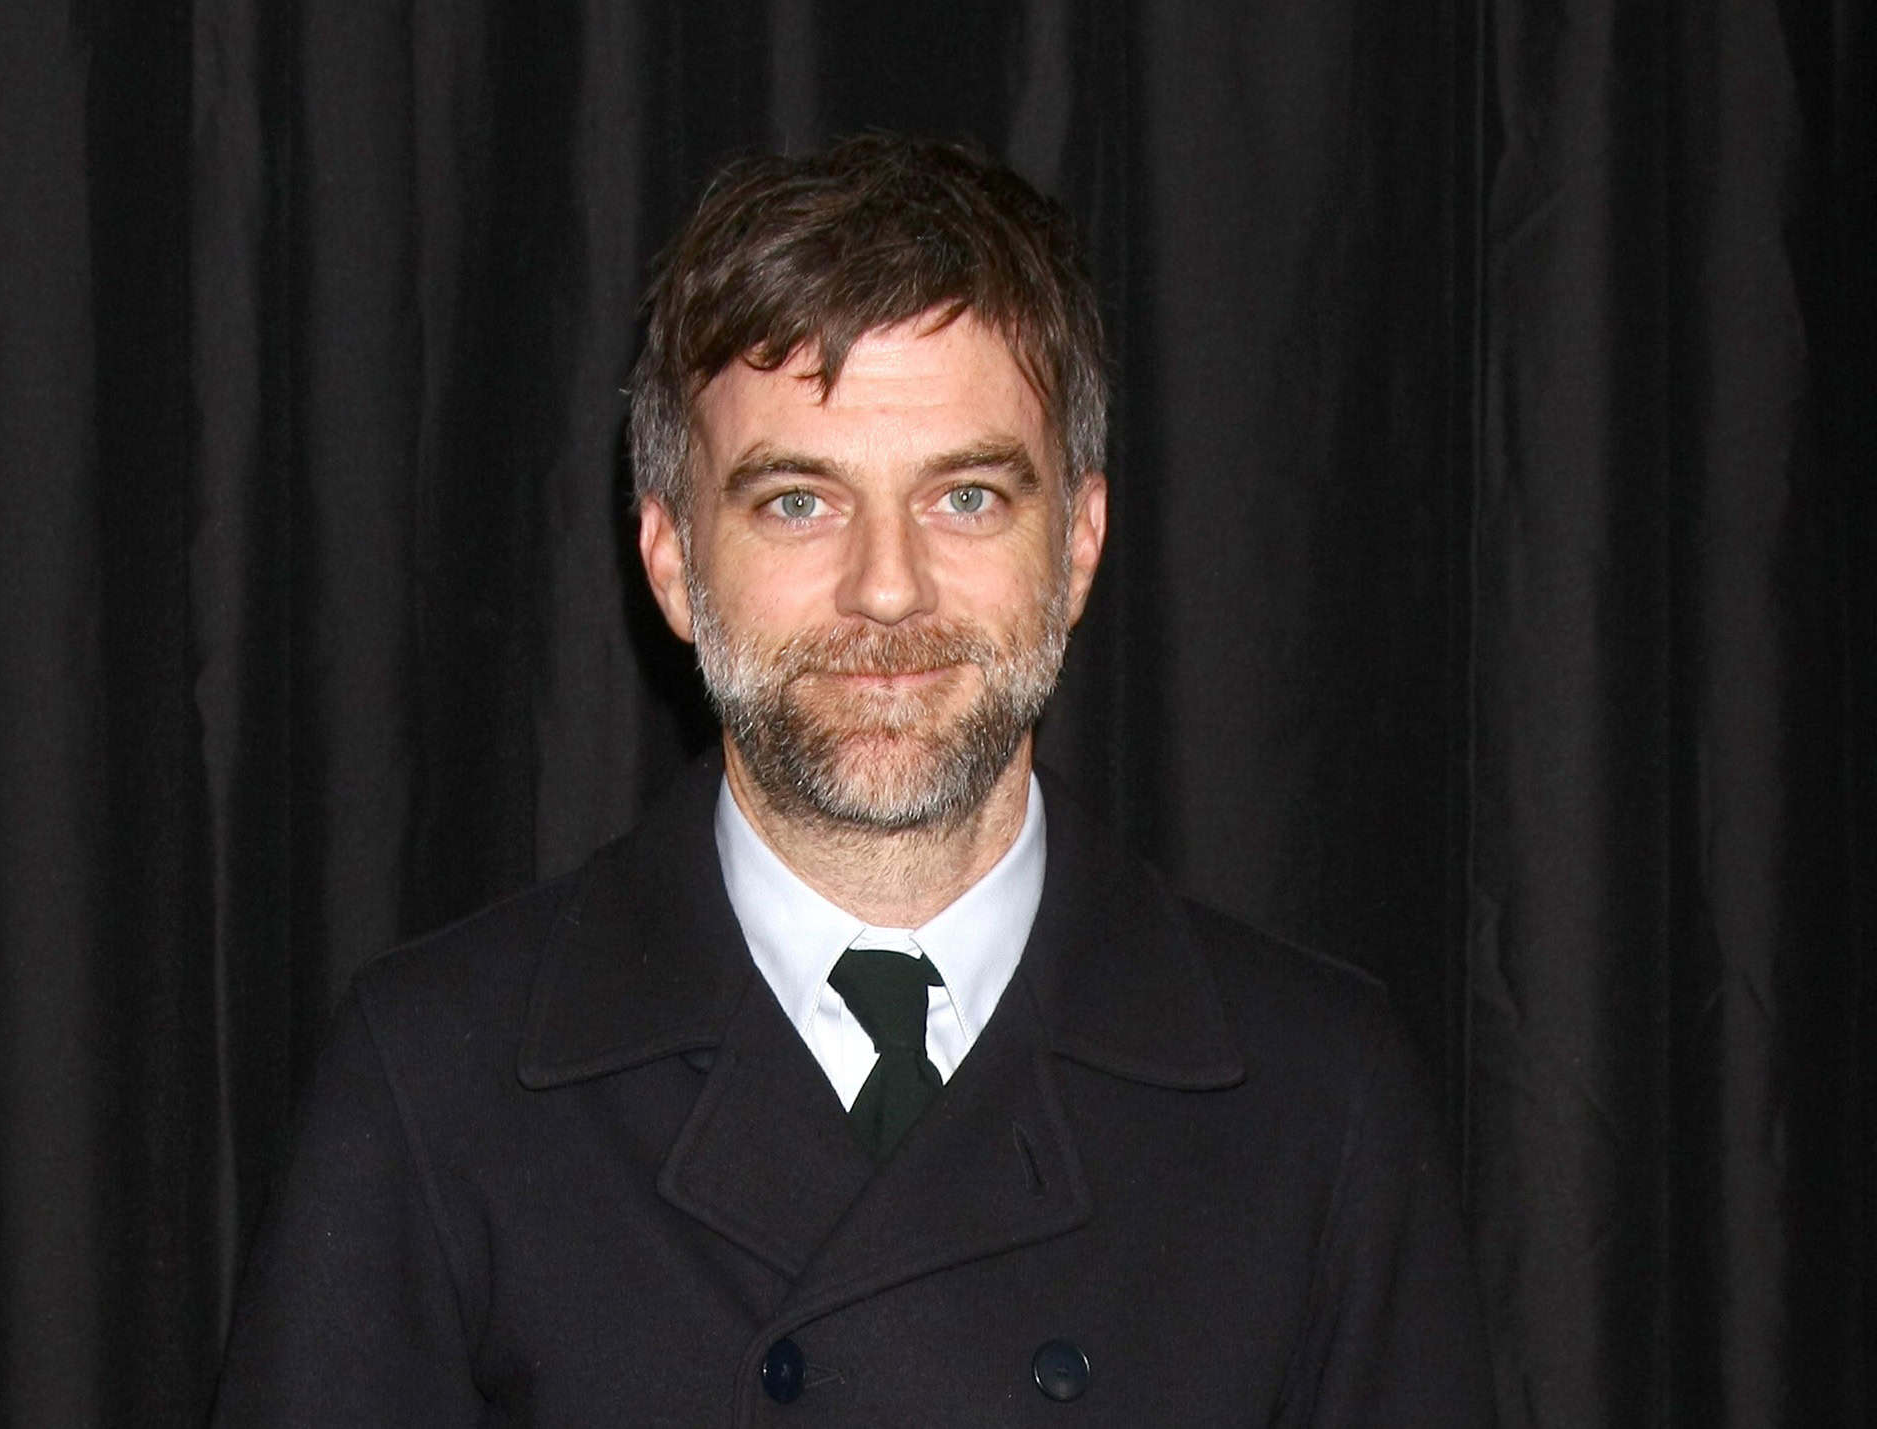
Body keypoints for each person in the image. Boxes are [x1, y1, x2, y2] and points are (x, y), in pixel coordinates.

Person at [213, 133, 1494, 1426]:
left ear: (1079, 545)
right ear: (671, 561)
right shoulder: (437, 1086)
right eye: (797, 502)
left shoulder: (1317, 1102)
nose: (888, 588)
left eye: (967, 497)